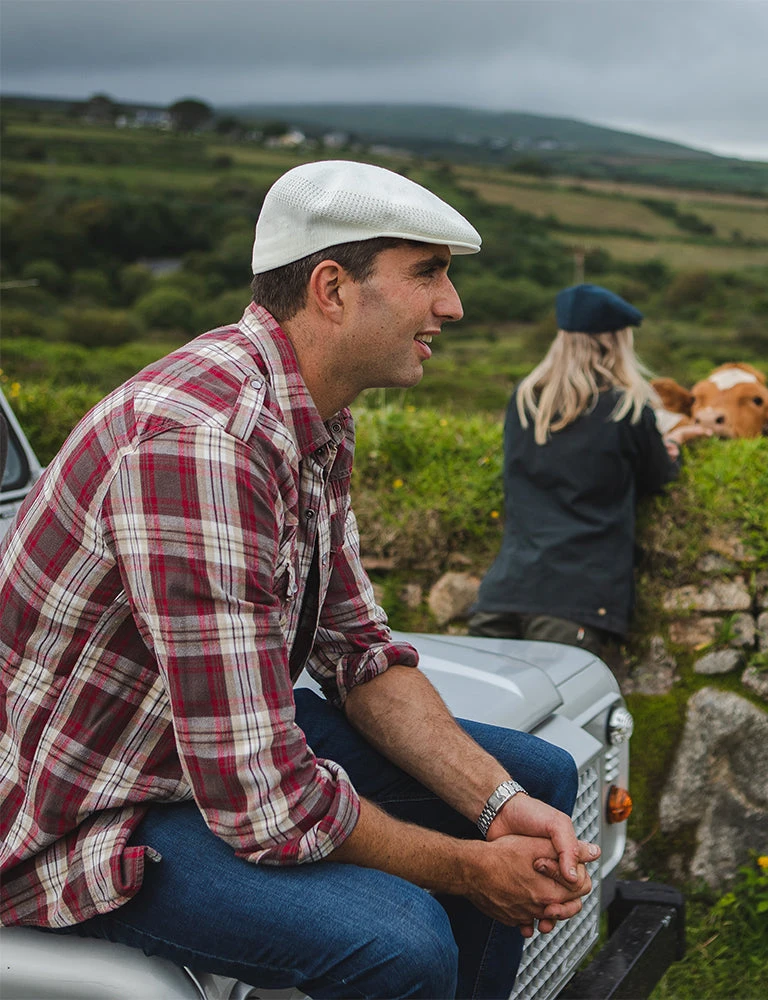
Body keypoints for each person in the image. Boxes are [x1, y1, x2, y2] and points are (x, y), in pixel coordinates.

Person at [0, 161, 600, 1000]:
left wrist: (496, 809)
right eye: (428, 272)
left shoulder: (309, 414)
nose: (452, 306)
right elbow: (264, 800)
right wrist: (472, 869)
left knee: (534, 779)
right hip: (85, 806)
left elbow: (357, 652)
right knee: (402, 943)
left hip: (184, 751)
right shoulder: (202, 441)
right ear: (331, 288)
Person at [469, 284, 707, 658]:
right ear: (617, 342)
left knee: (485, 715)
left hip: (503, 594)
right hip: (573, 601)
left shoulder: (526, 400)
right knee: (564, 716)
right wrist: (672, 446)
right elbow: (658, 476)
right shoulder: (626, 408)